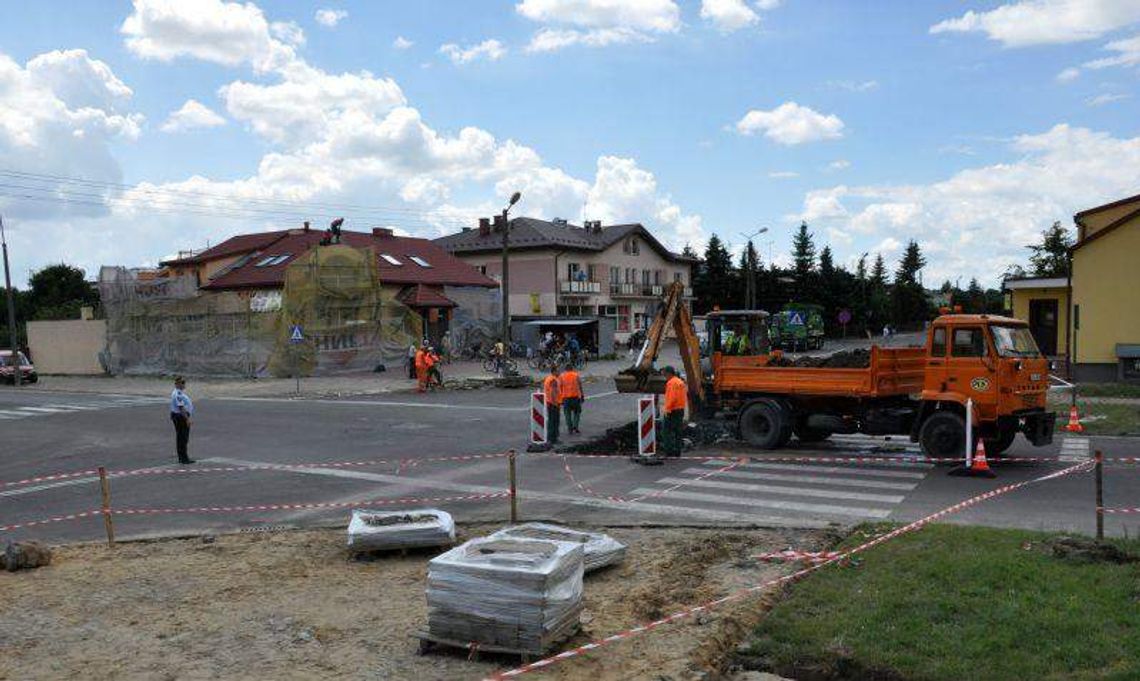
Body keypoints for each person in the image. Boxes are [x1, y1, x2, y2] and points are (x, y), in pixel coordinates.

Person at [661, 366, 687, 457]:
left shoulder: (671, 383)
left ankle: (669, 451)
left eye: (665, 374)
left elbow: (672, 398)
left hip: (672, 410)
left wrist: (667, 409)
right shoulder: (680, 382)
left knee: (666, 431)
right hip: (680, 409)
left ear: (669, 373)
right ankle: (677, 451)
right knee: (678, 431)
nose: (664, 376)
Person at [170, 376, 195, 465]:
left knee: (181, 437)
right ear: (177, 384)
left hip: (179, 416)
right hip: (180, 417)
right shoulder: (178, 394)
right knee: (183, 437)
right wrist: (187, 419)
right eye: (182, 382)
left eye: (184, 382)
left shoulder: (179, 393)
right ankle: (184, 458)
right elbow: (181, 407)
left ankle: (182, 457)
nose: (184, 384)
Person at [559, 364, 584, 435]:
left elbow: (560, 387)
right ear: (572, 368)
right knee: (577, 412)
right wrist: (582, 395)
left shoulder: (562, 376)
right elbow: (580, 386)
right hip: (575, 398)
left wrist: (560, 399)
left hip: (566, 398)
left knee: (567, 414)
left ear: (565, 369)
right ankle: (575, 426)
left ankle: (570, 428)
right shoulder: (576, 375)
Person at [543, 365, 562, 444]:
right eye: (558, 371)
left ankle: (550, 437)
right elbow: (553, 392)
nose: (559, 372)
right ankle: (553, 438)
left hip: (549, 402)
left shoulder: (548, 378)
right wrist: (555, 403)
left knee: (551, 420)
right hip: (553, 403)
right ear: (554, 371)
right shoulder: (553, 380)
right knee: (554, 421)